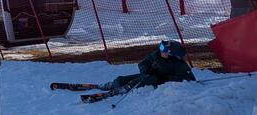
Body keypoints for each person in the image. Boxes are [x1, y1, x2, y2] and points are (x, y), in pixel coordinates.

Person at [53, 40, 195, 102]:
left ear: (171, 54)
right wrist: (146, 70)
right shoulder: (156, 54)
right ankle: (109, 85)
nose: (161, 50)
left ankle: (117, 91)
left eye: (164, 49)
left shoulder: (179, 65)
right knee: (121, 80)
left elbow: (190, 80)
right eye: (161, 47)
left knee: (147, 80)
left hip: (155, 80)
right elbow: (142, 64)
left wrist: (166, 78)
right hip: (146, 75)